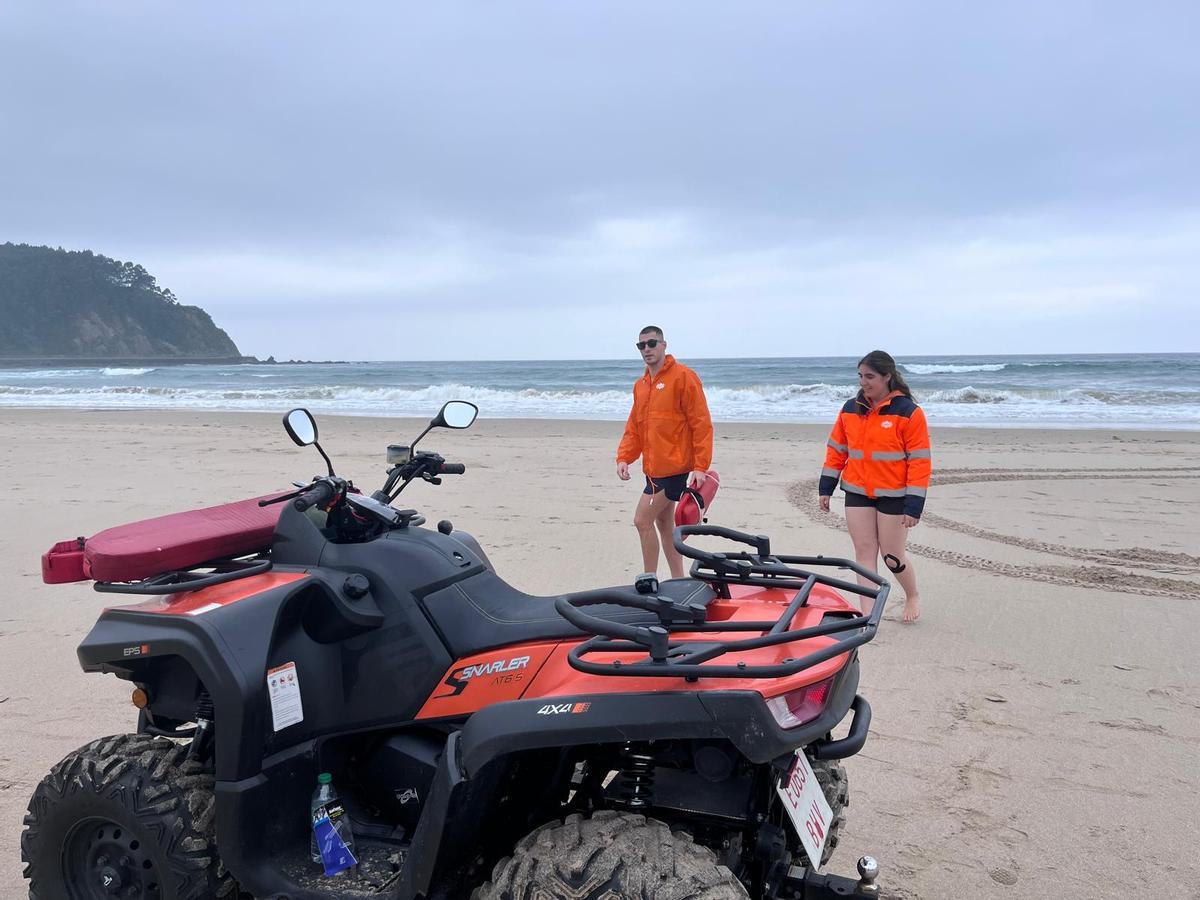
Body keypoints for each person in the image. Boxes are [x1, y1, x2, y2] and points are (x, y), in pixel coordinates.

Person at [818, 350, 930, 622]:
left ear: (887, 377)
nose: (863, 382)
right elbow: (836, 451)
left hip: (894, 496)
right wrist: (826, 487)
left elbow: (919, 462)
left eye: (870, 376)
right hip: (857, 491)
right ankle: (868, 614)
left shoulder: (909, 413)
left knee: (892, 555)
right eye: (860, 376)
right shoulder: (850, 409)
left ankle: (912, 594)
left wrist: (914, 505)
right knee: (864, 553)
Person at [616, 326, 714, 580]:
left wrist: (701, 466)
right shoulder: (641, 385)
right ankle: (679, 581)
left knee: (642, 520)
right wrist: (625, 457)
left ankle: (649, 580)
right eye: (642, 346)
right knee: (664, 525)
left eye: (651, 343)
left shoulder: (683, 377)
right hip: (653, 470)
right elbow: (635, 426)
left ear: (663, 345)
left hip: (676, 469)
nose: (647, 349)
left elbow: (701, 423)